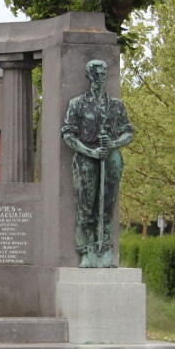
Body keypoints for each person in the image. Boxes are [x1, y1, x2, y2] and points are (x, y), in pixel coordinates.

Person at [61, 59, 134, 268]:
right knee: (86, 206)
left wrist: (113, 143)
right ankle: (86, 251)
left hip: (111, 157)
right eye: (94, 74)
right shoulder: (77, 104)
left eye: (102, 74)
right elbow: (68, 134)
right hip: (85, 157)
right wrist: (90, 151)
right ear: (88, 77)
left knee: (107, 205)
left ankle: (106, 248)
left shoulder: (116, 105)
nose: (98, 78)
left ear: (106, 76)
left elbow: (128, 131)